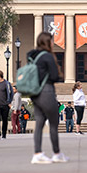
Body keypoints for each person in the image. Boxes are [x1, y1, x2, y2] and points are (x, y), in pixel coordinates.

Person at [28, 32, 68, 164]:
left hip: (35, 93)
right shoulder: (47, 56)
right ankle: (57, 153)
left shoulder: (32, 56)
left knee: (39, 122)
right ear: (47, 42)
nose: (53, 43)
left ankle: (37, 153)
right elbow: (55, 76)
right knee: (53, 123)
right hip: (46, 91)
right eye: (51, 41)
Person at [0, 70, 13, 140]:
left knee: (5, 120)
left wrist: (9, 102)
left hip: (5, 105)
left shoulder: (6, 84)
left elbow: (11, 93)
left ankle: (4, 134)